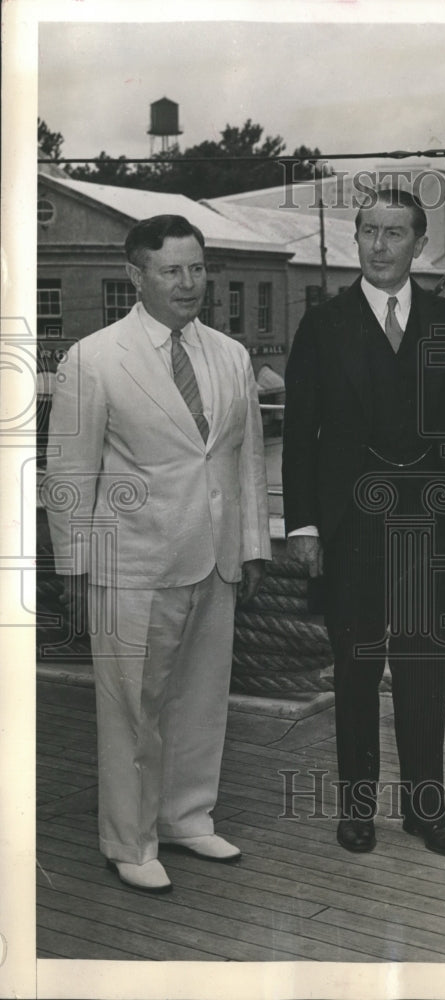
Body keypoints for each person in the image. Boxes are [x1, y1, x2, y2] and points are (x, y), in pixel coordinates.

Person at [45, 215, 271, 892]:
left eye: (197, 268)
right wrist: (75, 568)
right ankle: (130, 841)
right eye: (172, 270)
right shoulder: (92, 359)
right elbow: (69, 475)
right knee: (131, 710)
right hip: (132, 566)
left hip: (215, 558)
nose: (189, 283)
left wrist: (253, 546)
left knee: (201, 699)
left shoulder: (230, 356)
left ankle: (185, 817)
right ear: (136, 276)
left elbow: (245, 461)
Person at [282, 188, 445, 857]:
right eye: (369, 231)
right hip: (351, 525)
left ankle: (425, 812)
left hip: (432, 525)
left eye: (395, 232)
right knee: (354, 671)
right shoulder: (323, 325)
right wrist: (304, 526)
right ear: (356, 238)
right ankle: (357, 809)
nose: (379, 246)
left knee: (423, 671)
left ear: (419, 243)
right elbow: (299, 434)